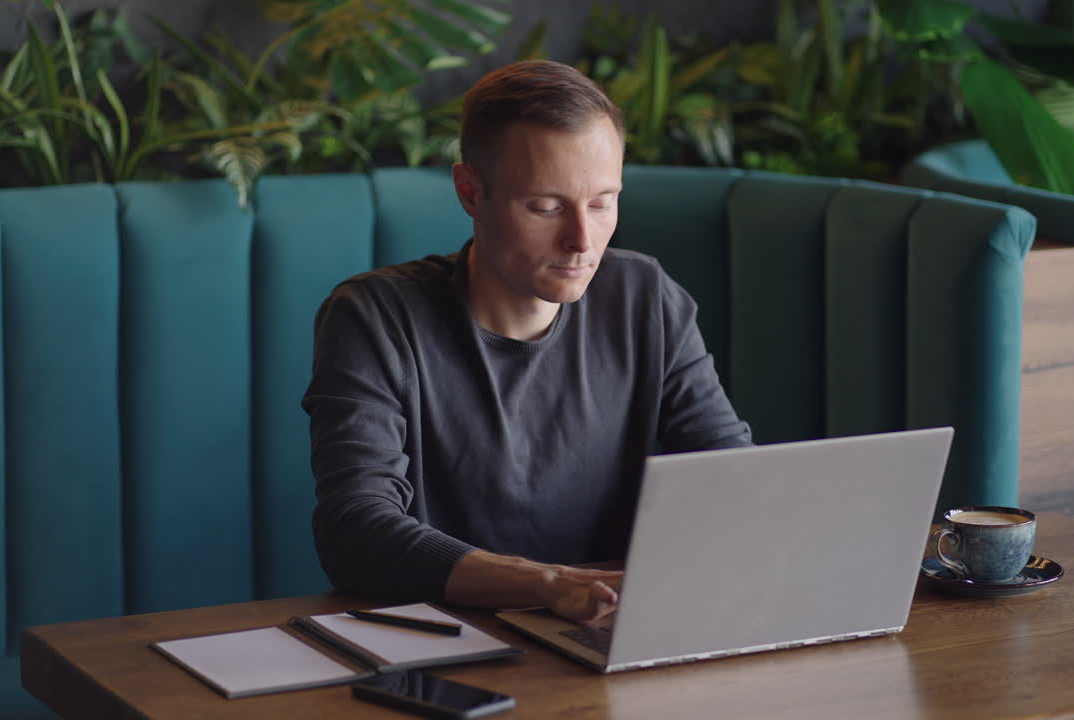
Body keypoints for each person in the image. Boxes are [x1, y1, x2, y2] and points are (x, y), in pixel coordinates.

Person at [303, 59, 751, 626]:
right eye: (545, 207)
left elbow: (732, 476)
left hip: (610, 630)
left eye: (602, 202)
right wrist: (549, 585)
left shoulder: (645, 297)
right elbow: (356, 532)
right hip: (448, 645)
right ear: (470, 191)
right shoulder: (376, 318)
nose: (581, 240)